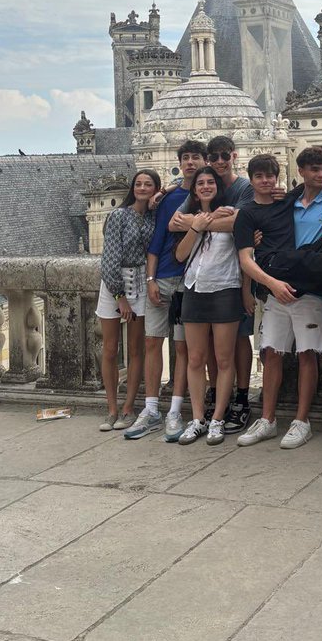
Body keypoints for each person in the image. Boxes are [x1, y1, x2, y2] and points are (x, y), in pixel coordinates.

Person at [235, 149, 322, 450]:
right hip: (278, 286)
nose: (320, 175)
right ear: (301, 171)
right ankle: (267, 419)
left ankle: (301, 421)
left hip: (311, 288)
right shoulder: (285, 201)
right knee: (271, 352)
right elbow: (249, 247)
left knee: (308, 354)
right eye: (314, 170)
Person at [127, 139, 207, 441]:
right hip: (162, 278)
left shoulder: (205, 194)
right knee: (152, 343)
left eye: (195, 157)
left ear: (203, 161)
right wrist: (150, 280)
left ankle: (174, 409)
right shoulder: (169, 198)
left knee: (183, 348)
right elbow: (157, 241)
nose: (190, 163)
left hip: (189, 282)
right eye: (185, 158)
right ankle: (151, 408)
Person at [173, 166, 244, 445]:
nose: (205, 186)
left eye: (210, 182)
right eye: (200, 183)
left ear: (218, 186)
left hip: (225, 288)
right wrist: (196, 226)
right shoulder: (191, 217)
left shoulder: (230, 210)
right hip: (194, 289)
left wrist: (206, 219)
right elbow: (180, 255)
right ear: (194, 189)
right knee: (195, 358)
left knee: (224, 359)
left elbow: (239, 224)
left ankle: (217, 419)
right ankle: (198, 418)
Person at [193, 136, 256, 433]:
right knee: (211, 346)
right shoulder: (206, 183)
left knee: (239, 339)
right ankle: (220, 394)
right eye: (214, 156)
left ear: (233, 155)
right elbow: (177, 221)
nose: (219, 161)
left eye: (224, 156)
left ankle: (242, 397)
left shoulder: (242, 187)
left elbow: (238, 223)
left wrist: (200, 223)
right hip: (209, 277)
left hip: (235, 274)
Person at [95, 169, 160, 431]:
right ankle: (111, 408)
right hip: (115, 283)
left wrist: (159, 201)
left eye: (149, 184)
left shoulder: (153, 217)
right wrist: (120, 297)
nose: (142, 188)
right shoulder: (118, 216)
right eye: (139, 183)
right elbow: (109, 259)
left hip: (141, 280)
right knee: (110, 349)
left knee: (136, 350)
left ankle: (128, 407)